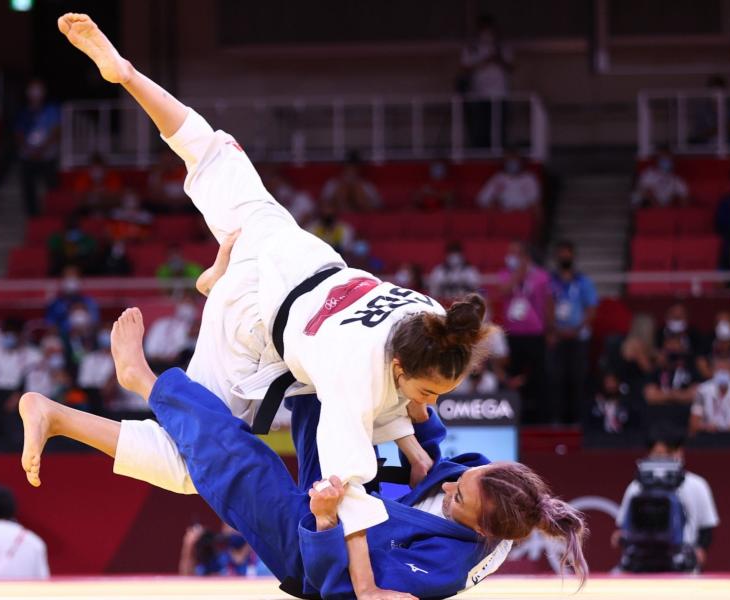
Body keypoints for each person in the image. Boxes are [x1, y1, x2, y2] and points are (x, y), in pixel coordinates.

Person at [57, 14, 503, 597]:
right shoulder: (354, 385)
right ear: (400, 370)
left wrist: (418, 456)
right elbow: (351, 499)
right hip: (254, 324)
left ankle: (128, 74)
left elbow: (397, 391)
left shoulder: (426, 316)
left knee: (210, 151)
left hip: (294, 251)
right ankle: (144, 377)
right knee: (189, 461)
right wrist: (366, 591)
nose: (427, 407)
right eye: (427, 395)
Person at [16, 303, 588, 598]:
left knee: (235, 462)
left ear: (480, 529)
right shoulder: (490, 491)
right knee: (321, 395)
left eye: (458, 496)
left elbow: (342, 588)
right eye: (464, 480)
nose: (449, 485)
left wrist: (320, 521)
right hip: (359, 499)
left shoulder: (440, 569)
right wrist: (416, 415)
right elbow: (436, 468)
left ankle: (141, 378)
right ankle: (60, 416)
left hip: (317, 551)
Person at [612, 427, 719, 571]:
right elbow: (625, 526)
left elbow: (707, 527)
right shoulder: (636, 487)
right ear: (649, 453)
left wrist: (700, 550)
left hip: (682, 561)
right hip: (643, 561)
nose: (663, 459)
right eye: (658, 454)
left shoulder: (697, 485)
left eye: (669, 453)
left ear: (680, 452)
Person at [498, 241, 552, 419]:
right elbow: (503, 291)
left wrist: (550, 329)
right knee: (514, 376)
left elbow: (548, 303)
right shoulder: (505, 274)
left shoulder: (541, 276)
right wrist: (518, 275)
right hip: (513, 334)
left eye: (515, 253)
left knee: (538, 376)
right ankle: (515, 416)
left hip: (535, 333)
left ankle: (540, 417)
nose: (511, 257)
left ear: (525, 256)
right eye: (510, 253)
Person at [549, 241, 598, 424]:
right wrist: (555, 329)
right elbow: (547, 305)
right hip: (558, 337)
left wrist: (575, 329)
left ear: (573, 256)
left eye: (567, 253)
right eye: (561, 253)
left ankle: (578, 420)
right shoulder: (551, 281)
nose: (564, 257)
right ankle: (557, 420)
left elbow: (591, 309)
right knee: (557, 379)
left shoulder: (583, 281)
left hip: (579, 337)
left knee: (577, 379)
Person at [459, 15, 513, 149]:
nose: (487, 33)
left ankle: (499, 150)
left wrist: (497, 58)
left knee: (499, 126)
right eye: (483, 29)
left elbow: (512, 67)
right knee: (480, 126)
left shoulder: (502, 47)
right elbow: (465, 68)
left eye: (489, 29)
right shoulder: (472, 48)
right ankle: (481, 150)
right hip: (479, 93)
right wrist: (485, 60)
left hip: (500, 93)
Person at [15, 78, 61, 216]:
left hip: (47, 155)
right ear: (28, 92)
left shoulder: (51, 110)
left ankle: (53, 214)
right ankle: (32, 216)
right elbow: (18, 133)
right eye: (32, 89)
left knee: (51, 187)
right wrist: (30, 150)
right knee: (28, 188)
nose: (35, 93)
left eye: (38, 89)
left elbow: (56, 130)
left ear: (43, 92)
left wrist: (43, 149)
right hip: (28, 156)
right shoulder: (23, 112)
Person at [0, 322, 43, 391]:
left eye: (13, 335)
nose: (9, 338)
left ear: (20, 335)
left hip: (20, 392)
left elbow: (38, 380)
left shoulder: (34, 355)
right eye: (6, 335)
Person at [476, 152, 541, 218]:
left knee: (538, 209)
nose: (512, 164)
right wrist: (493, 204)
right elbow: (482, 199)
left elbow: (534, 201)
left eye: (515, 160)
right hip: (502, 215)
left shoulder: (529, 178)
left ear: (521, 162)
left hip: (524, 213)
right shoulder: (498, 178)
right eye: (509, 161)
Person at [643, 333, 698, 406]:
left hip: (683, 413)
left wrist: (665, 395)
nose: (672, 346)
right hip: (659, 413)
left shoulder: (691, 369)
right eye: (669, 343)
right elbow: (650, 395)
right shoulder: (657, 370)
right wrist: (677, 395)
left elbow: (695, 394)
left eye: (675, 343)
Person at [45, 267, 100, 338]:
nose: (71, 281)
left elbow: (95, 323)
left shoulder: (90, 302)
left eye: (74, 277)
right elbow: (50, 325)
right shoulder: (55, 304)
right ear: (62, 281)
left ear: (79, 281)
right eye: (68, 277)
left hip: (87, 339)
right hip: (63, 339)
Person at [144, 300, 198, 364]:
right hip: (153, 364)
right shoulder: (163, 323)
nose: (197, 329)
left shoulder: (193, 344)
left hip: (174, 366)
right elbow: (151, 353)